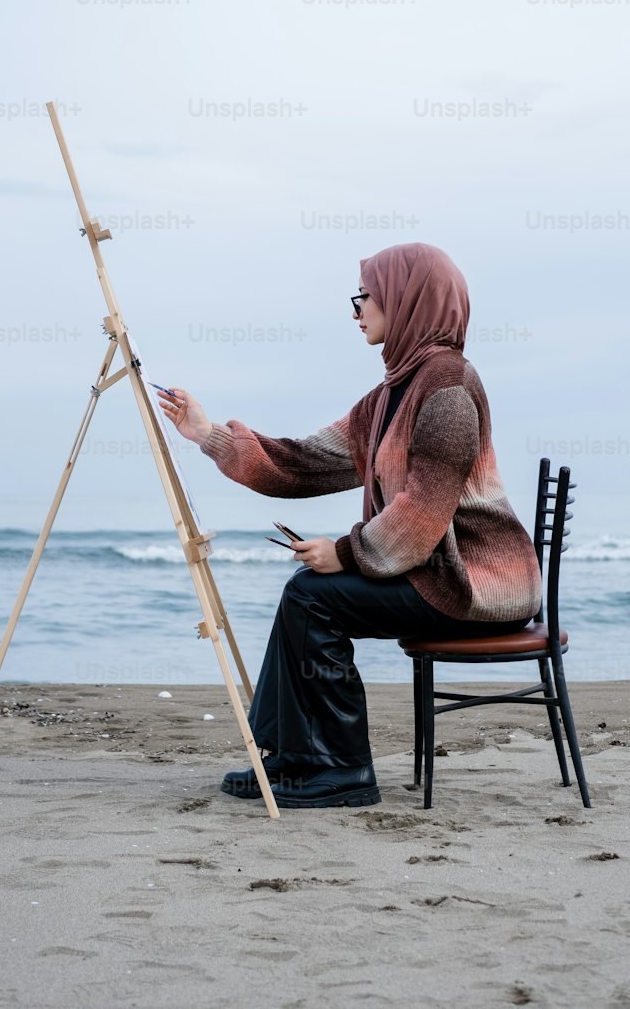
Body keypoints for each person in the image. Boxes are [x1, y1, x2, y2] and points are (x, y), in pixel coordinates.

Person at [157, 242, 542, 809]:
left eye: (366, 297)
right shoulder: (394, 391)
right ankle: (291, 757)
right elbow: (308, 461)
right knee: (306, 595)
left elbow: (421, 514)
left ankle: (340, 771)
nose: (358, 310)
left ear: (408, 300)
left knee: (314, 599)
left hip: (475, 583)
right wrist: (209, 434)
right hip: (433, 570)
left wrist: (346, 552)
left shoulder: (448, 389)